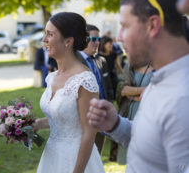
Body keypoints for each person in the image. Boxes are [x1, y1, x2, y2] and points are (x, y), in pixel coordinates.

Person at [87, 0, 189, 173]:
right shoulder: (162, 81)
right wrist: (116, 124)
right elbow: (151, 142)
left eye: (125, 26)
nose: (118, 37)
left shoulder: (183, 97)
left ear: (152, 25)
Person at [34, 12, 105, 173]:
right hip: (52, 158)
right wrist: (38, 124)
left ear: (68, 41)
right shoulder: (51, 78)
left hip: (77, 160)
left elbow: (89, 131)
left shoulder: (84, 80)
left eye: (50, 34)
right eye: (45, 34)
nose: (44, 40)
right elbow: (65, 118)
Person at [77, 24, 114, 155]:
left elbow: (109, 88)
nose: (97, 43)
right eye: (93, 39)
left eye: (98, 39)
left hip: (102, 119)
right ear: (83, 39)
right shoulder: (74, 61)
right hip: (82, 122)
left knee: (96, 159)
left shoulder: (101, 61)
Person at [115, 62, 153, 164]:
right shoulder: (129, 66)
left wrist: (132, 95)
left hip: (149, 117)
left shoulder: (159, 66)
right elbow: (123, 90)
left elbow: (158, 92)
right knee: (130, 160)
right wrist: (144, 90)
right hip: (130, 114)